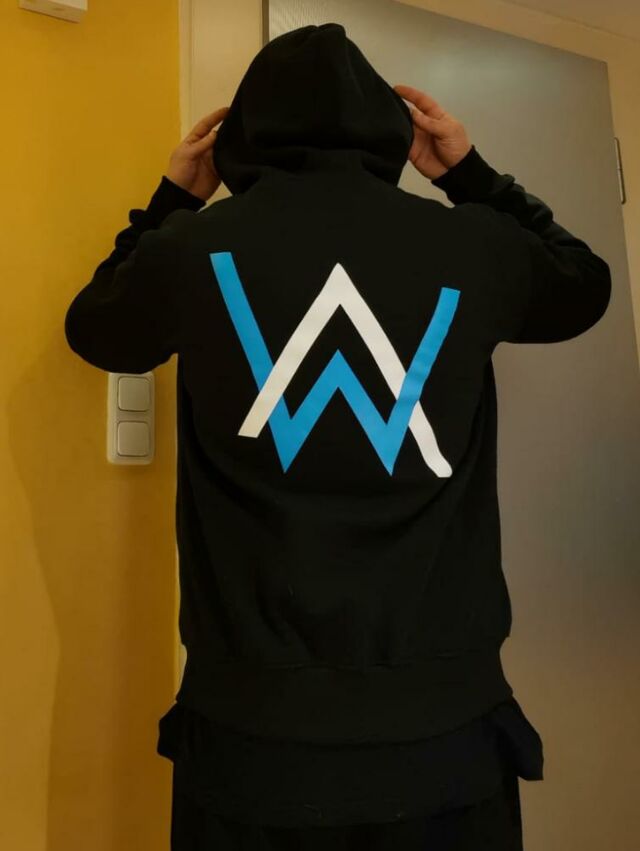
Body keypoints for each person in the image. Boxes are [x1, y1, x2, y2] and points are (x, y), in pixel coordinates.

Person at [64, 22, 610, 851]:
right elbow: (583, 285)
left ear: (241, 135)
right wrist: (469, 174)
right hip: (444, 737)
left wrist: (174, 199)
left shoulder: (195, 249)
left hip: (253, 740)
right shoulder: (473, 244)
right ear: (386, 129)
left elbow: (98, 329)